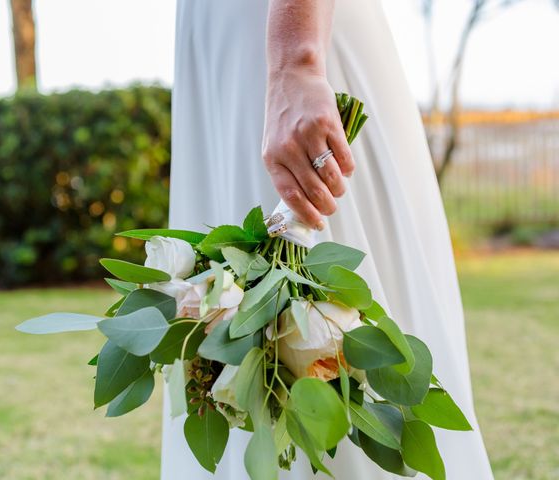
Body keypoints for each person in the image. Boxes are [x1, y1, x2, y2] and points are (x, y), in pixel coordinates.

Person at [163, 0, 495, 478]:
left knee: (342, 312)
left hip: (285, 28)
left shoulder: (291, 59)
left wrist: (296, 63)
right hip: (217, 35)